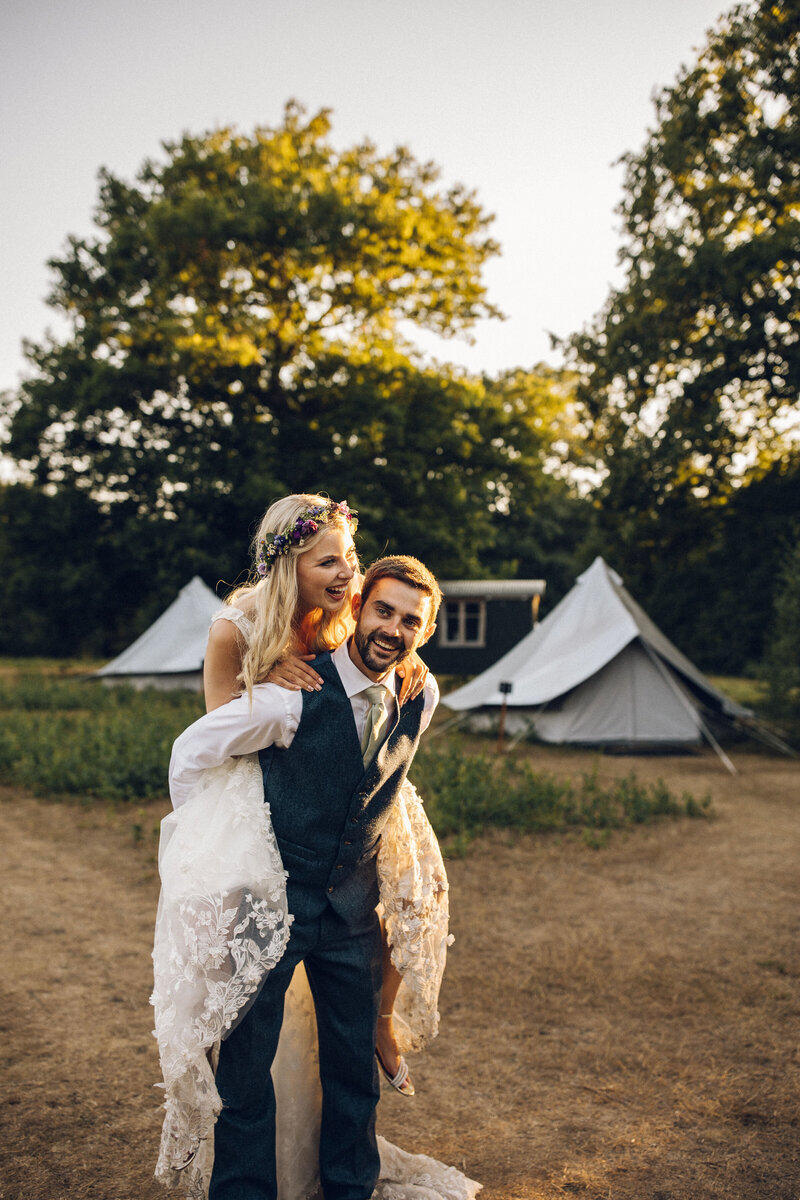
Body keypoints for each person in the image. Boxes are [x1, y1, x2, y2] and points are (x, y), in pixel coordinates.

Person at [151, 496, 480, 1200]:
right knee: (246, 1068)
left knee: (352, 1068)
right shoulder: (285, 691)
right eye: (382, 611)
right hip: (274, 898)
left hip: (354, 907)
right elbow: (195, 751)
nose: (393, 628)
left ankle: (348, 1188)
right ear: (359, 608)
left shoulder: (421, 697)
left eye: (410, 621)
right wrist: (216, 845)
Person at [203, 496, 423, 1097]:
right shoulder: (235, 626)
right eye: (328, 562)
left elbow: (391, 627)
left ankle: (379, 1022)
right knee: (250, 981)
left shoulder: (344, 603)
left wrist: (411, 656)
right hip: (270, 797)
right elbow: (220, 736)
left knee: (407, 897)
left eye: (350, 556)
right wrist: (265, 676)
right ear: (289, 566)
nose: (348, 573)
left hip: (355, 776)